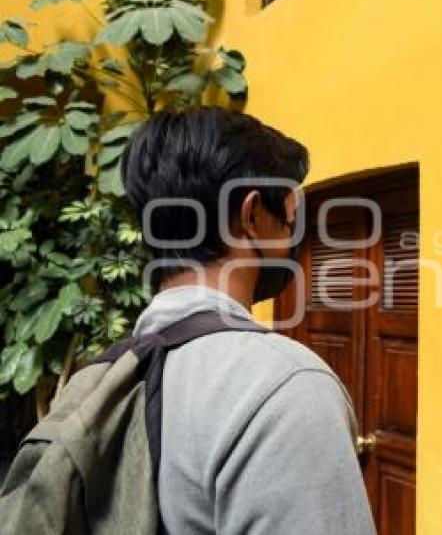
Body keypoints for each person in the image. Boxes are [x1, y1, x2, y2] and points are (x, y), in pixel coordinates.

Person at [120, 107, 376, 534]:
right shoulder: (285, 386)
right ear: (252, 215)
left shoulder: (114, 370)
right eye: (291, 219)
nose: (296, 236)